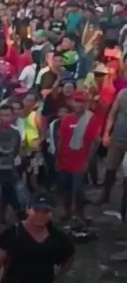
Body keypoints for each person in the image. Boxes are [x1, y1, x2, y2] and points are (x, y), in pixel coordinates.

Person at [56, 91, 100, 223]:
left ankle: (80, 215)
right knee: (66, 190)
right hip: (65, 160)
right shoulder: (67, 119)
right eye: (77, 101)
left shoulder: (91, 119)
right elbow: (60, 139)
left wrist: (87, 161)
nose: (79, 104)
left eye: (82, 101)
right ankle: (67, 213)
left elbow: (93, 143)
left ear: (86, 103)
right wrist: (57, 159)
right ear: (71, 102)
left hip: (80, 161)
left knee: (78, 190)